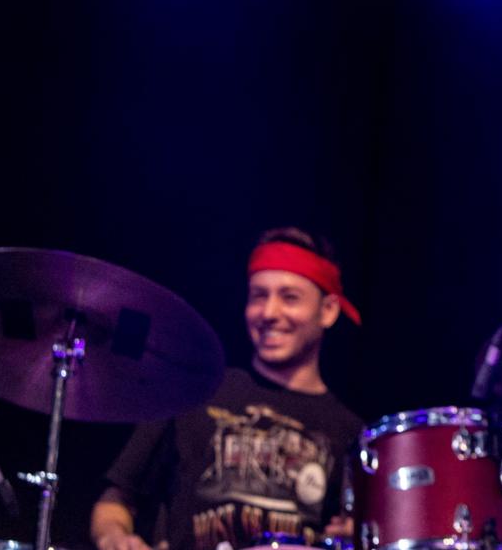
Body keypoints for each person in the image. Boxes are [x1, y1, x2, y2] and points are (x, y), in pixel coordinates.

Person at [90, 229, 364, 550]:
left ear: (328, 311)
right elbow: (116, 500)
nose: (269, 313)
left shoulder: (350, 432)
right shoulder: (195, 391)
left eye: (290, 297)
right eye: (258, 296)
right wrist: (115, 536)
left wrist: (356, 537)